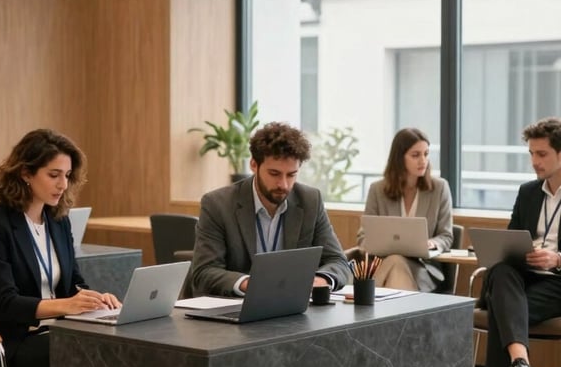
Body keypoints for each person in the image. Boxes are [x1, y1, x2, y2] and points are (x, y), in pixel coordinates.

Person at [0, 129, 120, 367]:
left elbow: (73, 283)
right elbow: (5, 303)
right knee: (90, 357)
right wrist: (65, 305)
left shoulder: (58, 221)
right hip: (9, 345)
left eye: (67, 176)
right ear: (26, 173)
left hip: (54, 334)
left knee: (114, 349)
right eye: (54, 175)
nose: (63, 184)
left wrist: (96, 300)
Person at [472, 117, 561, 367]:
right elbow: (511, 239)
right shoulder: (527, 192)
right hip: (525, 277)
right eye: (532, 154)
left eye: (542, 154)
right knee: (501, 270)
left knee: (500, 305)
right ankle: (520, 363)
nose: (535, 162)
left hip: (558, 282)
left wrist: (557, 258)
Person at [190, 121, 350, 297]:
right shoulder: (218, 204)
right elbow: (204, 272)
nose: (283, 184)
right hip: (237, 307)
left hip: (292, 307)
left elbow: (337, 261)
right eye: (274, 174)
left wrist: (320, 280)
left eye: (291, 175)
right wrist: (249, 284)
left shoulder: (310, 201)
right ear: (254, 165)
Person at [358, 128, 453, 291]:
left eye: (426, 154)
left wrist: (432, 243)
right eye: (415, 155)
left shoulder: (439, 188)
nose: (423, 161)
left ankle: (364, 293)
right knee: (395, 260)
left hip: (425, 270)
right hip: (385, 264)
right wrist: (376, 244)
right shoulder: (377, 190)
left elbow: (446, 236)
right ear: (399, 158)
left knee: (396, 262)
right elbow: (363, 237)